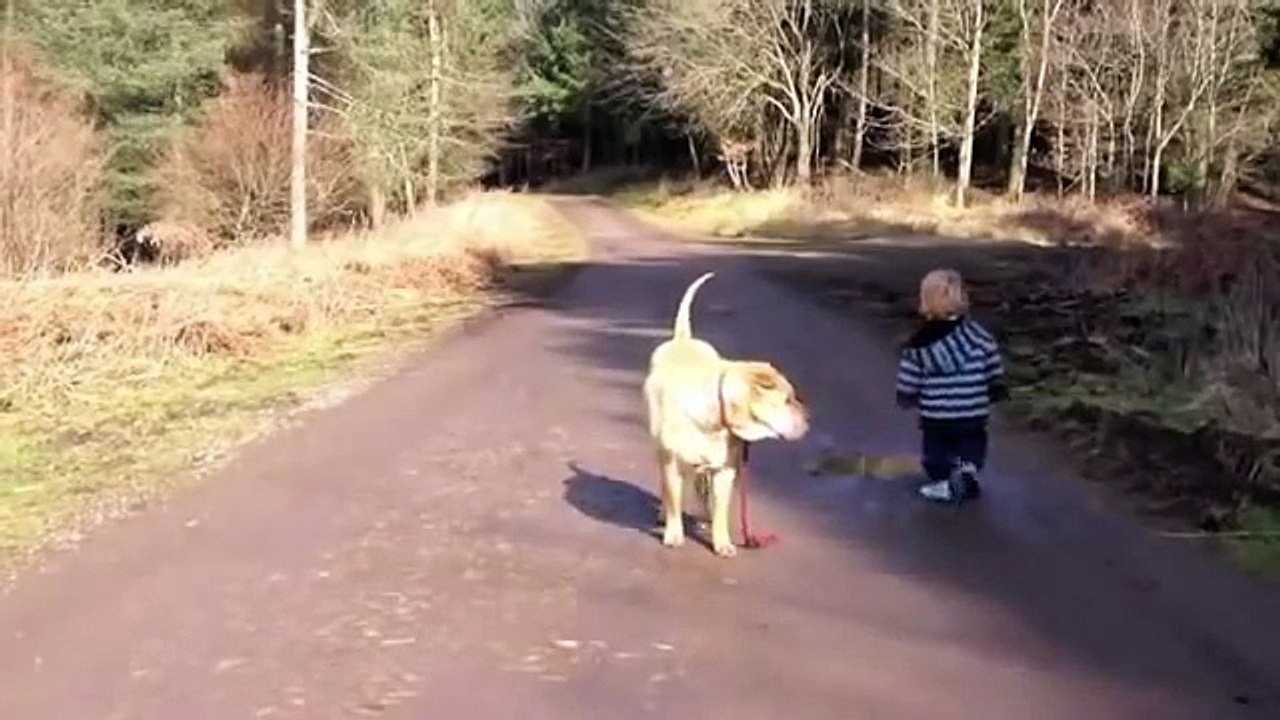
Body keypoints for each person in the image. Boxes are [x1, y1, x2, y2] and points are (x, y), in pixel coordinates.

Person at [895, 269, 1007, 503]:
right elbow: (992, 360)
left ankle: (944, 482)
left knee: (936, 451)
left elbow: (910, 372)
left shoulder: (919, 342)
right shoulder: (978, 335)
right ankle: (967, 472)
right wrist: (995, 384)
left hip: (937, 412)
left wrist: (906, 393)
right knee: (972, 443)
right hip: (972, 409)